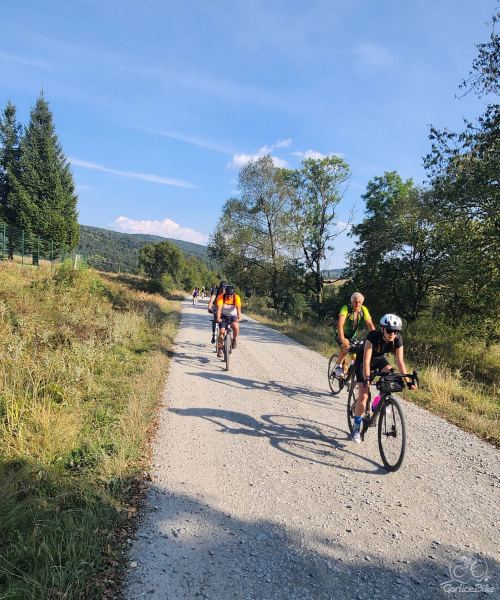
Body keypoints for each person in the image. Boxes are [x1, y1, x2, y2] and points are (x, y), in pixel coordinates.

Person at [352, 313, 416, 443]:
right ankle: (356, 428)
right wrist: (367, 378)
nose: (392, 333)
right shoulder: (373, 336)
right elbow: (366, 360)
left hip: (379, 359)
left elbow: (400, 361)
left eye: (395, 331)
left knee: (391, 374)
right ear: (382, 329)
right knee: (363, 396)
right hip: (363, 361)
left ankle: (378, 401)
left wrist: (408, 381)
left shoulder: (397, 339)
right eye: (389, 330)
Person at [334, 292, 375, 378]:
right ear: (352, 301)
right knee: (346, 347)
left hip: (352, 336)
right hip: (341, 333)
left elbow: (370, 325)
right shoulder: (346, 308)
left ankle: (350, 374)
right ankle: (338, 366)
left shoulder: (363, 310)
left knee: (356, 354)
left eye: (360, 302)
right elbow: (340, 324)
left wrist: (375, 338)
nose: (358, 304)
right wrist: (342, 339)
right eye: (356, 302)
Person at [216, 285, 242, 358]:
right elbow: (219, 309)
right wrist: (218, 318)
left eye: (230, 295)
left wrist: (239, 318)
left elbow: (238, 309)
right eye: (227, 295)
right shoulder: (221, 297)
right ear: (225, 293)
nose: (229, 296)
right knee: (221, 332)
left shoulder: (236, 297)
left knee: (236, 328)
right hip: (223, 315)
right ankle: (220, 349)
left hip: (233, 315)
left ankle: (234, 340)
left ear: (233, 293)